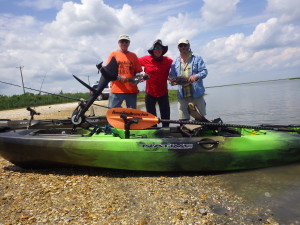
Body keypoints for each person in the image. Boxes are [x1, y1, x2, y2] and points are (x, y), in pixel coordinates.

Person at [169, 38, 208, 120]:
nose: (183, 47)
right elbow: (172, 77)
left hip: (197, 94)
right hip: (182, 95)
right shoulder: (175, 62)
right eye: (181, 45)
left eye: (185, 45)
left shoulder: (197, 57)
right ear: (178, 47)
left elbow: (204, 71)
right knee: (183, 120)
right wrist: (172, 82)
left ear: (189, 46)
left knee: (200, 119)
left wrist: (196, 76)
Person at [139, 39, 173, 127]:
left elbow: (178, 66)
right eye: (156, 48)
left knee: (166, 118)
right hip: (150, 93)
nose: (158, 50)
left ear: (162, 50)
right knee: (151, 118)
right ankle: (153, 133)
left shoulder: (168, 60)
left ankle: (166, 132)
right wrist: (141, 73)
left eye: (160, 48)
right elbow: (133, 63)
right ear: (152, 50)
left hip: (163, 93)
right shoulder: (146, 59)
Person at [106, 34, 142, 109]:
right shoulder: (114, 54)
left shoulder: (134, 55)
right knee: (113, 113)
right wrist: (119, 77)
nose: (124, 43)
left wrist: (139, 77)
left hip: (131, 90)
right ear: (118, 43)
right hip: (116, 90)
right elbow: (108, 71)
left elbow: (137, 71)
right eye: (122, 41)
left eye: (126, 41)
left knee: (132, 115)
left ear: (129, 43)